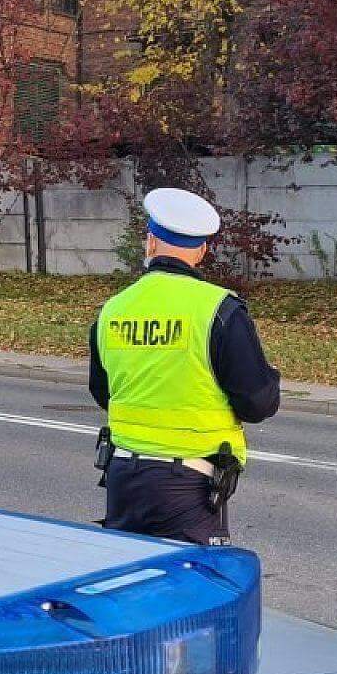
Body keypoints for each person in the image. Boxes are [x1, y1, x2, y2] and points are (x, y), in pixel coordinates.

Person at [90, 188, 281, 543]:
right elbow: (257, 403)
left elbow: (103, 392)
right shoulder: (219, 311)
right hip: (189, 487)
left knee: (127, 585)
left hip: (122, 477)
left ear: (149, 243)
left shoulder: (113, 309)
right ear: (202, 251)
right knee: (193, 590)